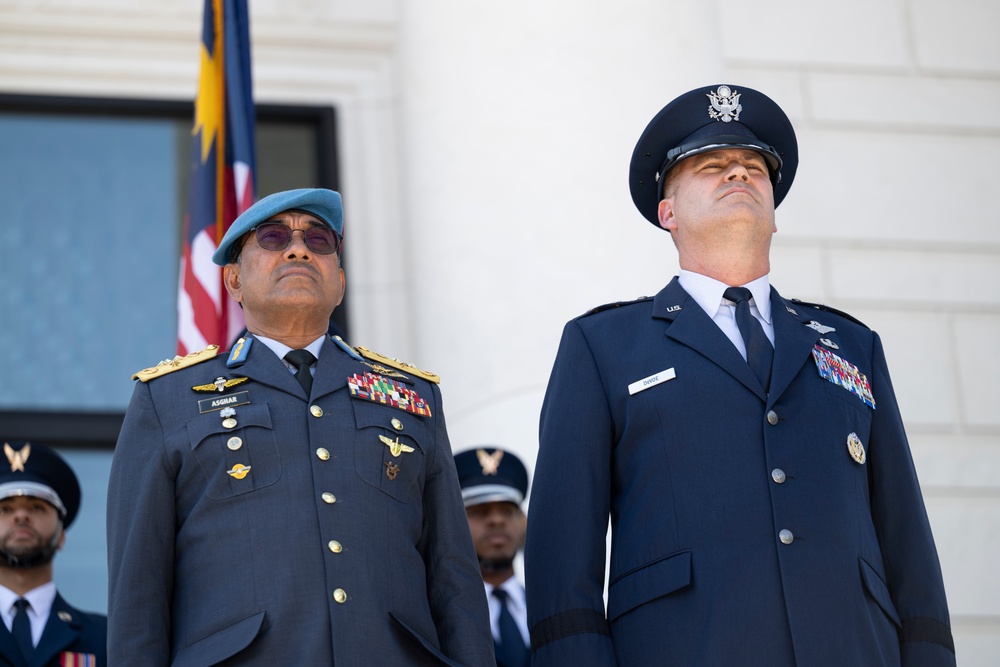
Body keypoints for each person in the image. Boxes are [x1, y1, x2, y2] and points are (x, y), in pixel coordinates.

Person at [524, 84, 955, 666]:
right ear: (667, 213)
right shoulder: (603, 346)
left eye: (753, 167)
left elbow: (908, 547)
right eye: (711, 167)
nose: (738, 175)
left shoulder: (852, 345)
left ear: (774, 213)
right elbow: (561, 563)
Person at [107, 188, 495, 666]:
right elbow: (137, 595)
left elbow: (454, 578)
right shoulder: (166, 398)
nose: (298, 249)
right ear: (233, 281)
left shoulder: (413, 397)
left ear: (340, 282)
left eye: (319, 240)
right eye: (272, 238)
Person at [0, 442, 106, 667]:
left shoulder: (106, 637)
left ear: (61, 536)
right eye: (5, 509)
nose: (20, 516)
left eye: (37, 508)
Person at [455, 447, 530, 667]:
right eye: (479, 511)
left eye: (507, 511)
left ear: (523, 521)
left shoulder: (551, 609)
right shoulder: (436, 619)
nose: (497, 520)